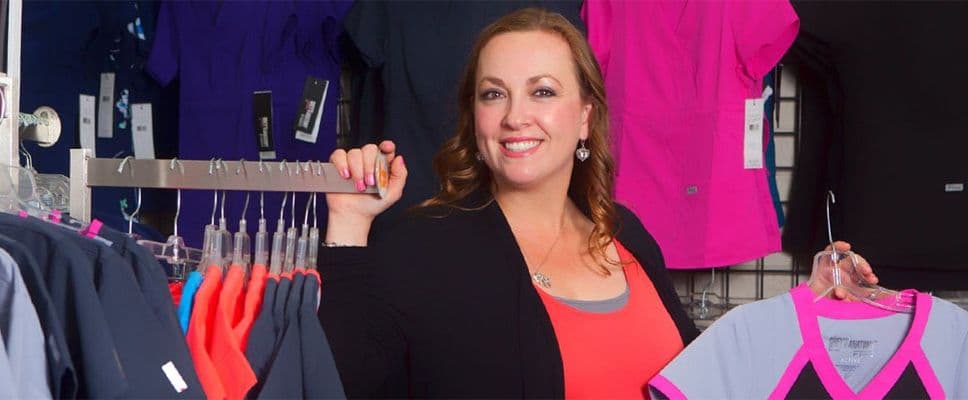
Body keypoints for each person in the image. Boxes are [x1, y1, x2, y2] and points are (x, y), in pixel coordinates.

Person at [320, 7, 878, 399]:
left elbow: (702, 373)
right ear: (474, 118)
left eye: (543, 91)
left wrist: (807, 305)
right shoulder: (421, 246)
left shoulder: (624, 232)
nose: (516, 116)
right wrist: (347, 228)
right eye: (494, 94)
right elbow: (340, 382)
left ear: (585, 115)